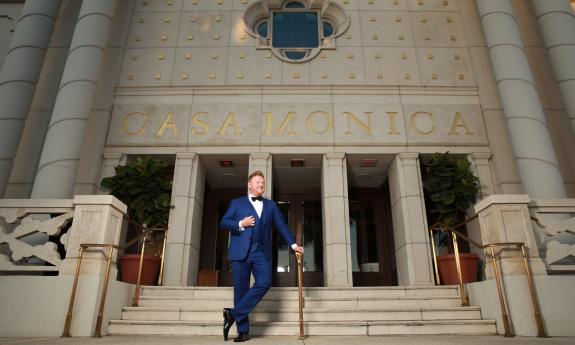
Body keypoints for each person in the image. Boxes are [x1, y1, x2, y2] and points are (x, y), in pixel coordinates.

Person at [219, 170, 304, 342]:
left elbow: (281, 226)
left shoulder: (271, 205)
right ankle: (243, 331)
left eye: (263, 182)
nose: (261, 185)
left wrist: (294, 245)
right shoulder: (237, 203)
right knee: (240, 291)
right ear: (249, 185)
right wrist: (240, 224)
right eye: (258, 182)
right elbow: (223, 222)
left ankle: (232, 314)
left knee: (265, 282)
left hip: (261, 253)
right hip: (240, 253)